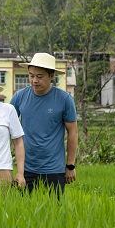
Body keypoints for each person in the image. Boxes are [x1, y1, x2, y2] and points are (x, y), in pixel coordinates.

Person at [10, 52, 78, 198]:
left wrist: (70, 165)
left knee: (53, 215)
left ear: (51, 76)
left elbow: (73, 133)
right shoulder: (19, 97)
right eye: (31, 75)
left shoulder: (64, 99)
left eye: (40, 76)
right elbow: (5, 126)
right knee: (23, 214)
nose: (34, 80)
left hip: (54, 169)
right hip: (25, 169)